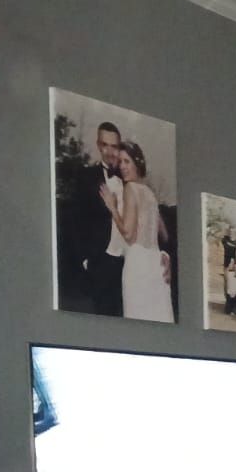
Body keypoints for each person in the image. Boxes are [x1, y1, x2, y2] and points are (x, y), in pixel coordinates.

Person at [99, 140, 173, 322]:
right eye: (120, 162)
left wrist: (112, 207)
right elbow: (164, 235)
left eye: (127, 161)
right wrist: (164, 254)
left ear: (137, 163)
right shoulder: (150, 193)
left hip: (137, 264)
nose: (122, 166)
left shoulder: (130, 188)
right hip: (155, 264)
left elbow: (129, 235)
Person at [80, 121, 126, 315]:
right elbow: (78, 220)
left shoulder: (129, 179)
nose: (109, 151)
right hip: (102, 261)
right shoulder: (87, 177)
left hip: (130, 262)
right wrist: (85, 258)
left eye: (114, 146)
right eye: (105, 145)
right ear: (99, 145)